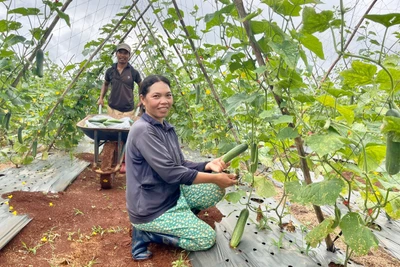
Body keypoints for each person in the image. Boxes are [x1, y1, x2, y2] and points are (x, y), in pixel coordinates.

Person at [125, 75, 237, 260]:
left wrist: (207, 165)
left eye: (168, 95)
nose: (164, 101)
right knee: (205, 238)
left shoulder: (166, 128)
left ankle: (182, 219)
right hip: (151, 207)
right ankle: (146, 233)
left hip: (170, 194)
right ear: (143, 99)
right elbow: (171, 173)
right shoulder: (143, 130)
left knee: (215, 190)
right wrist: (216, 177)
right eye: (156, 96)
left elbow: (180, 164)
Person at [97, 43, 142, 119]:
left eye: (125, 53)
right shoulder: (110, 71)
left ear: (129, 56)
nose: (122, 55)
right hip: (112, 108)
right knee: (112, 129)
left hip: (128, 110)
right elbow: (105, 84)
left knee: (126, 130)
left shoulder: (133, 72)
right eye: (120, 52)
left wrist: (141, 100)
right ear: (116, 54)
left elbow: (141, 85)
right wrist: (101, 98)